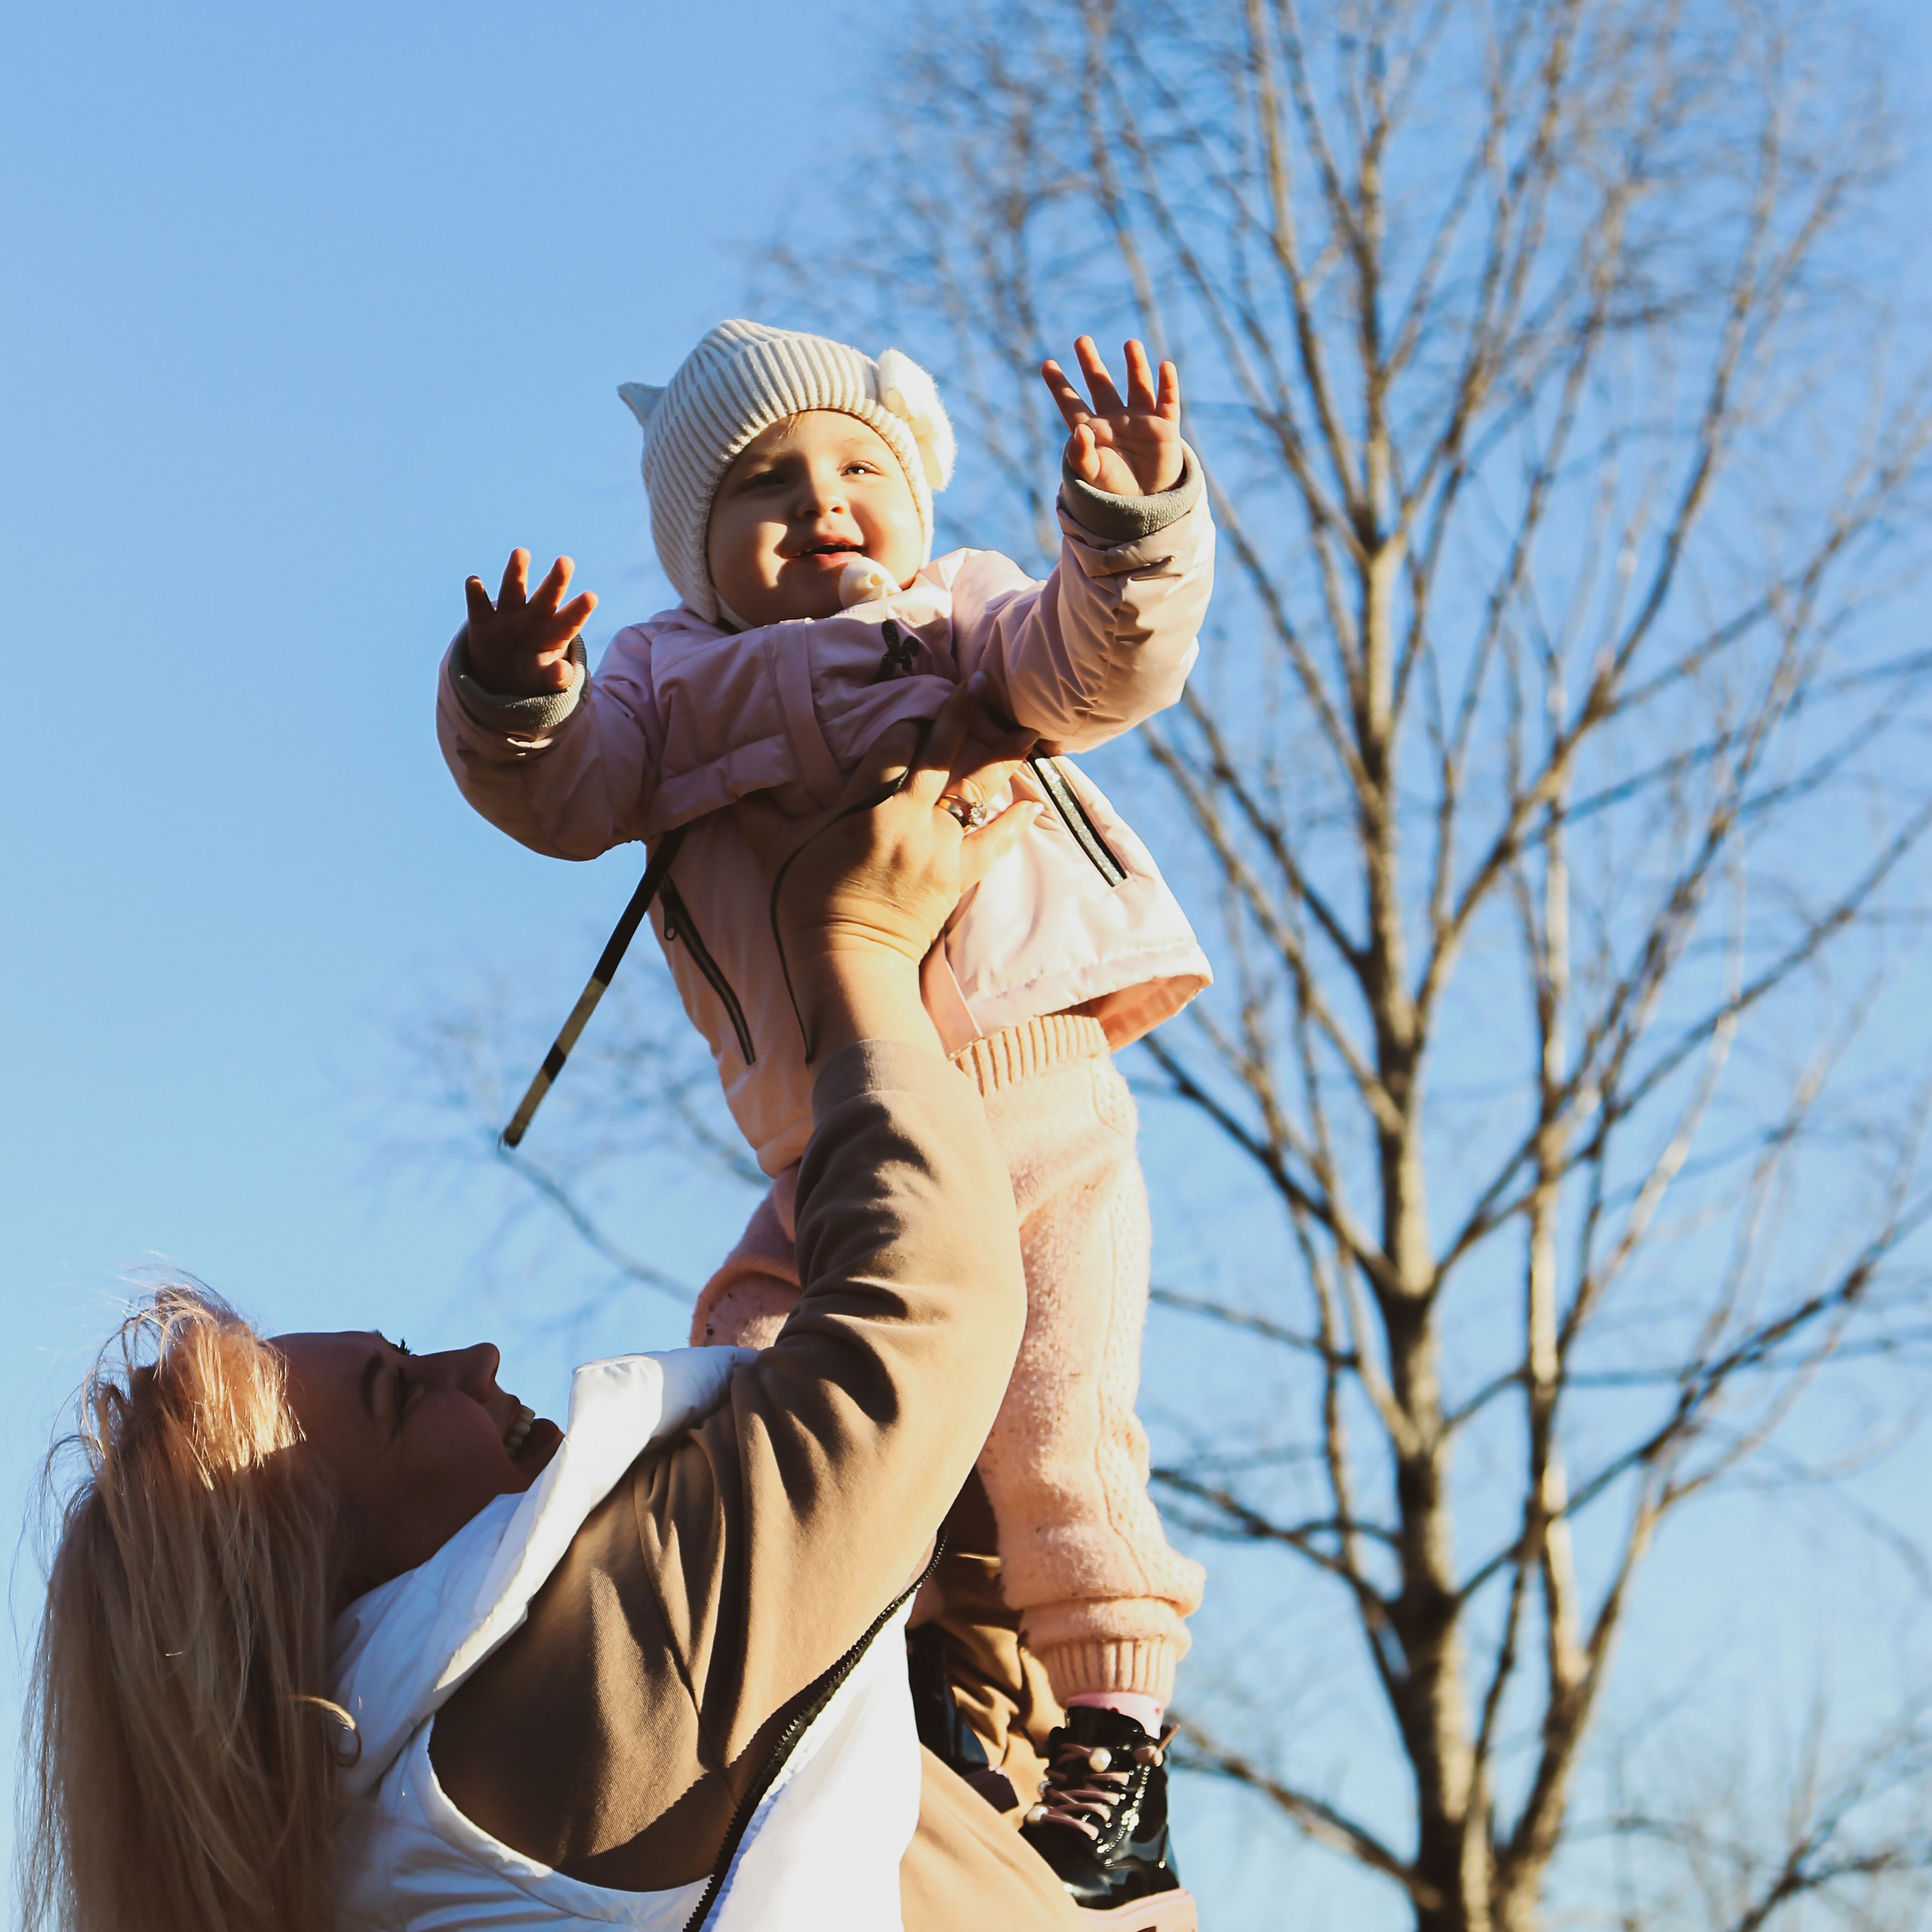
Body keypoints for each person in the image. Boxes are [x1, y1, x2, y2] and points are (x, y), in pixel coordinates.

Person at [23, 691, 1196, 1932]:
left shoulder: (396, 1832)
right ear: (320, 1559)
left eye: (417, 1356)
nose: (475, 1359)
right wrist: (855, 948)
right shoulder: (585, 1684)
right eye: (401, 1394)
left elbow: (933, 1831)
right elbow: (921, 1328)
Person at [437, 319, 1212, 1900]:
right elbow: (567, 789)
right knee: (757, 1376)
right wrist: (515, 697)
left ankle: (1114, 1737)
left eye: (858, 465)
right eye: (765, 485)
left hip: (1033, 1095)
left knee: (1058, 1431)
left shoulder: (966, 615)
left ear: (917, 496)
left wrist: (1127, 531)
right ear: (694, 552)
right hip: (832, 1143)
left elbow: (1102, 658)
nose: (824, 501)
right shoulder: (657, 679)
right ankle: (880, 1666)